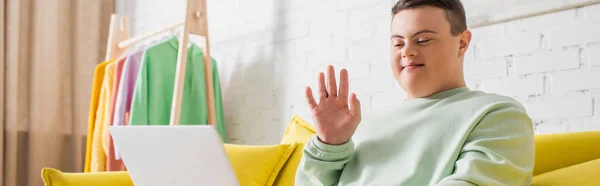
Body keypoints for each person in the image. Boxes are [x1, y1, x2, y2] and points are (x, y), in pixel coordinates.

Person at [295, 0, 535, 185]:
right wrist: (330, 144)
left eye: (423, 40)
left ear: (461, 42)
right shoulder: (362, 126)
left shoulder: (497, 114)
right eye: (398, 43)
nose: (407, 52)